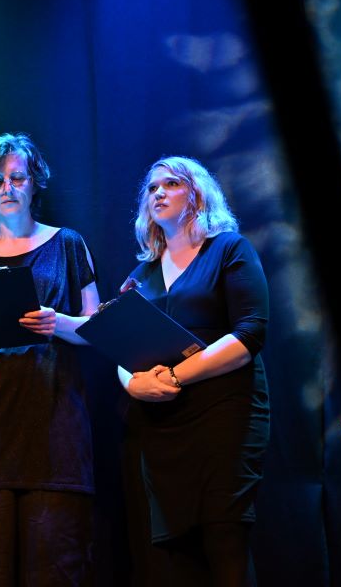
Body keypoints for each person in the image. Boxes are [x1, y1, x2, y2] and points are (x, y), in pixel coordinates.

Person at [0, 133, 101, 586]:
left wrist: (58, 323)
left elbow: (97, 328)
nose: (7, 188)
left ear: (34, 183)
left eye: (17, 178)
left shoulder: (68, 245)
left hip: (54, 425)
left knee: (54, 564)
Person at [116, 156, 270, 586]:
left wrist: (176, 377)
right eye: (152, 188)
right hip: (162, 424)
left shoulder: (228, 249)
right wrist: (133, 383)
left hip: (225, 413)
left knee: (225, 540)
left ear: (197, 195)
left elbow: (250, 334)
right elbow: (121, 344)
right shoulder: (141, 275)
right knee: (178, 555)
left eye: (171, 184)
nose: (158, 193)